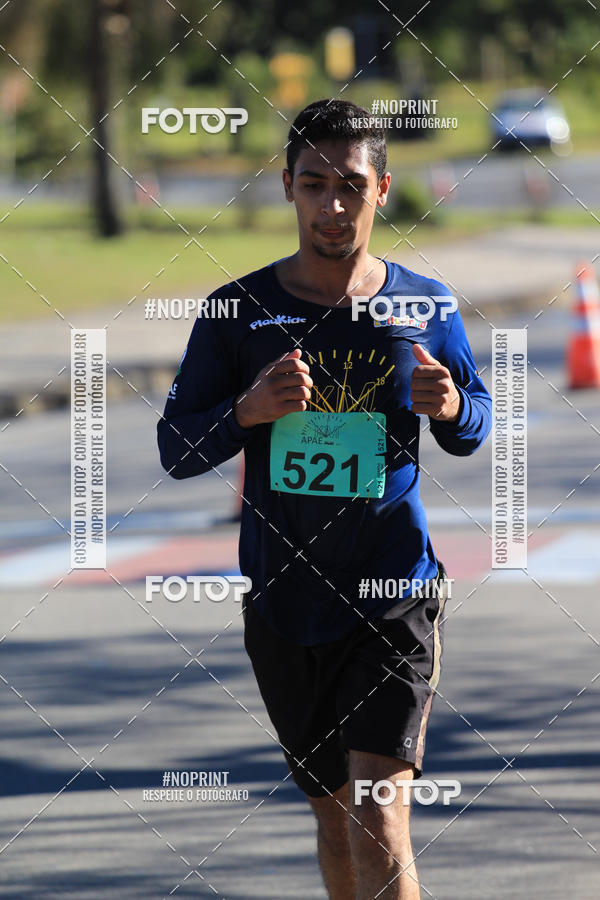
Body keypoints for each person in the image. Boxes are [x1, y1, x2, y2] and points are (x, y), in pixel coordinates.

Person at [157, 99, 492, 899]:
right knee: (334, 815)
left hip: (392, 594)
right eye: (314, 185)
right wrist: (248, 411)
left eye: (351, 184)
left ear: (383, 189)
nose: (332, 206)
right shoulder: (236, 312)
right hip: (284, 604)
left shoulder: (424, 305)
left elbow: (473, 425)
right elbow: (176, 451)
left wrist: (449, 407)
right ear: (286, 188)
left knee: (379, 815)